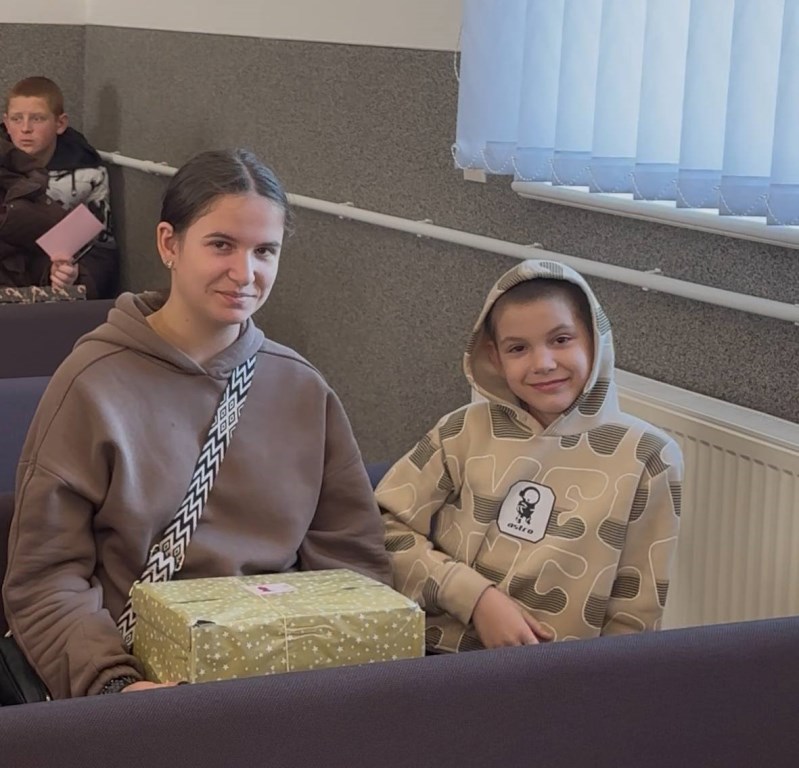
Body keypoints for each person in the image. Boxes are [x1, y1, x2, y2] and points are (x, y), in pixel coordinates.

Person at [3, 148, 391, 699]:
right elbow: (45, 579)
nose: (245, 273)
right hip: (142, 675)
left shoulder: (302, 388)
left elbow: (353, 562)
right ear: (169, 244)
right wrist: (113, 683)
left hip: (284, 675)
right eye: (221, 245)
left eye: (265, 251)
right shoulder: (91, 383)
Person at [378, 259, 682, 653]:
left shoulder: (649, 457)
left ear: (595, 340)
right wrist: (476, 599)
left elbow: (634, 616)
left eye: (561, 340)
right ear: (495, 357)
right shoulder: (461, 430)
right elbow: (382, 529)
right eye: (518, 348)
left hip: (566, 675)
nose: (543, 364)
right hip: (440, 657)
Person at [1, 76, 119, 298]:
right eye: (17, 119)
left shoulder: (87, 175)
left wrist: (74, 275)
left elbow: (101, 249)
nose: (25, 128)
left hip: (51, 288)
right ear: (6, 123)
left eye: (37, 119)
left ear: (60, 123)